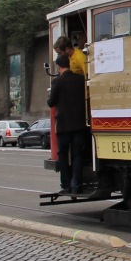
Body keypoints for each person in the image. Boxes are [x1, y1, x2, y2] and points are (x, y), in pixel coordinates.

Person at [46, 54, 89, 196]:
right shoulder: (80, 79)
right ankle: (76, 184)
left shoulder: (57, 82)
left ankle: (66, 184)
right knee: (78, 155)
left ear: (58, 66)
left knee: (63, 155)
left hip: (63, 125)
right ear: (69, 65)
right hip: (79, 124)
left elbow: (51, 102)